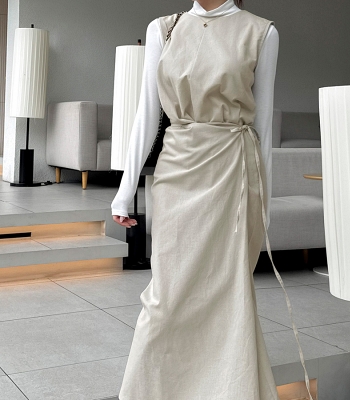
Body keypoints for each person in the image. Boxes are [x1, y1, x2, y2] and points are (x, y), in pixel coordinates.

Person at [111, 1, 312, 399]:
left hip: (233, 173)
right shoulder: (163, 29)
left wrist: (263, 205)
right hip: (176, 172)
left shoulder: (261, 32)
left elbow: (262, 125)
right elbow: (147, 114)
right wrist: (124, 190)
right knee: (166, 296)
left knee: (227, 293)